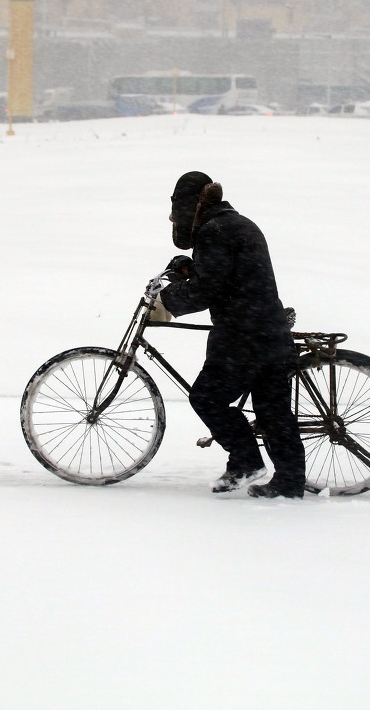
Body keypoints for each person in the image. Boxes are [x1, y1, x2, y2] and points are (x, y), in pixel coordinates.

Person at [157, 171, 305, 499]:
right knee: (273, 411)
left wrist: (167, 299)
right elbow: (227, 275)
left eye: (177, 211)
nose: (174, 220)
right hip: (267, 331)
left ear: (191, 206)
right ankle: (290, 482)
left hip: (243, 336)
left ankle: (245, 461)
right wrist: (190, 272)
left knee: (207, 398)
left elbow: (212, 287)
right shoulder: (235, 223)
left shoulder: (215, 231)